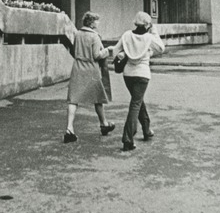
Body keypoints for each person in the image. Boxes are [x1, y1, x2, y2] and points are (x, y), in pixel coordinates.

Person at [113, 11, 165, 153]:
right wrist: (154, 32)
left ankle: (147, 129)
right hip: (142, 74)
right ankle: (127, 138)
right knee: (136, 104)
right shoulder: (149, 37)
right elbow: (161, 48)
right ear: (147, 24)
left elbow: (115, 52)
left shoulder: (126, 35)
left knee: (138, 101)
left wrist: (126, 52)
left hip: (128, 74)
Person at [63, 11, 115, 143]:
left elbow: (75, 51)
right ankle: (104, 124)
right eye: (97, 20)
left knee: (73, 99)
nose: (98, 23)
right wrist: (107, 51)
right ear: (91, 23)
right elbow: (97, 55)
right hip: (91, 68)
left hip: (78, 67)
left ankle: (69, 128)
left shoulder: (78, 34)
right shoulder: (95, 36)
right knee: (98, 98)